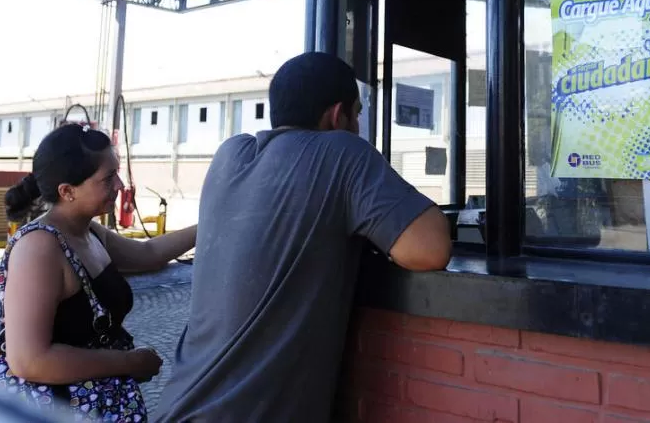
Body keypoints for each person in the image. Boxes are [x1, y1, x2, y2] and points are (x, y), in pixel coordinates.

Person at [154, 52, 452, 423]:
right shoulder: (342, 152)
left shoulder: (229, 155)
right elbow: (430, 249)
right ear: (336, 114)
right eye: (357, 115)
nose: (358, 126)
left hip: (174, 409)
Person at [0, 123, 197, 420]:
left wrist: (209, 223)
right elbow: (29, 361)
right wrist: (129, 362)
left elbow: (149, 254)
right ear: (67, 191)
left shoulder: (89, 231)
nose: (119, 186)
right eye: (108, 179)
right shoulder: (39, 248)